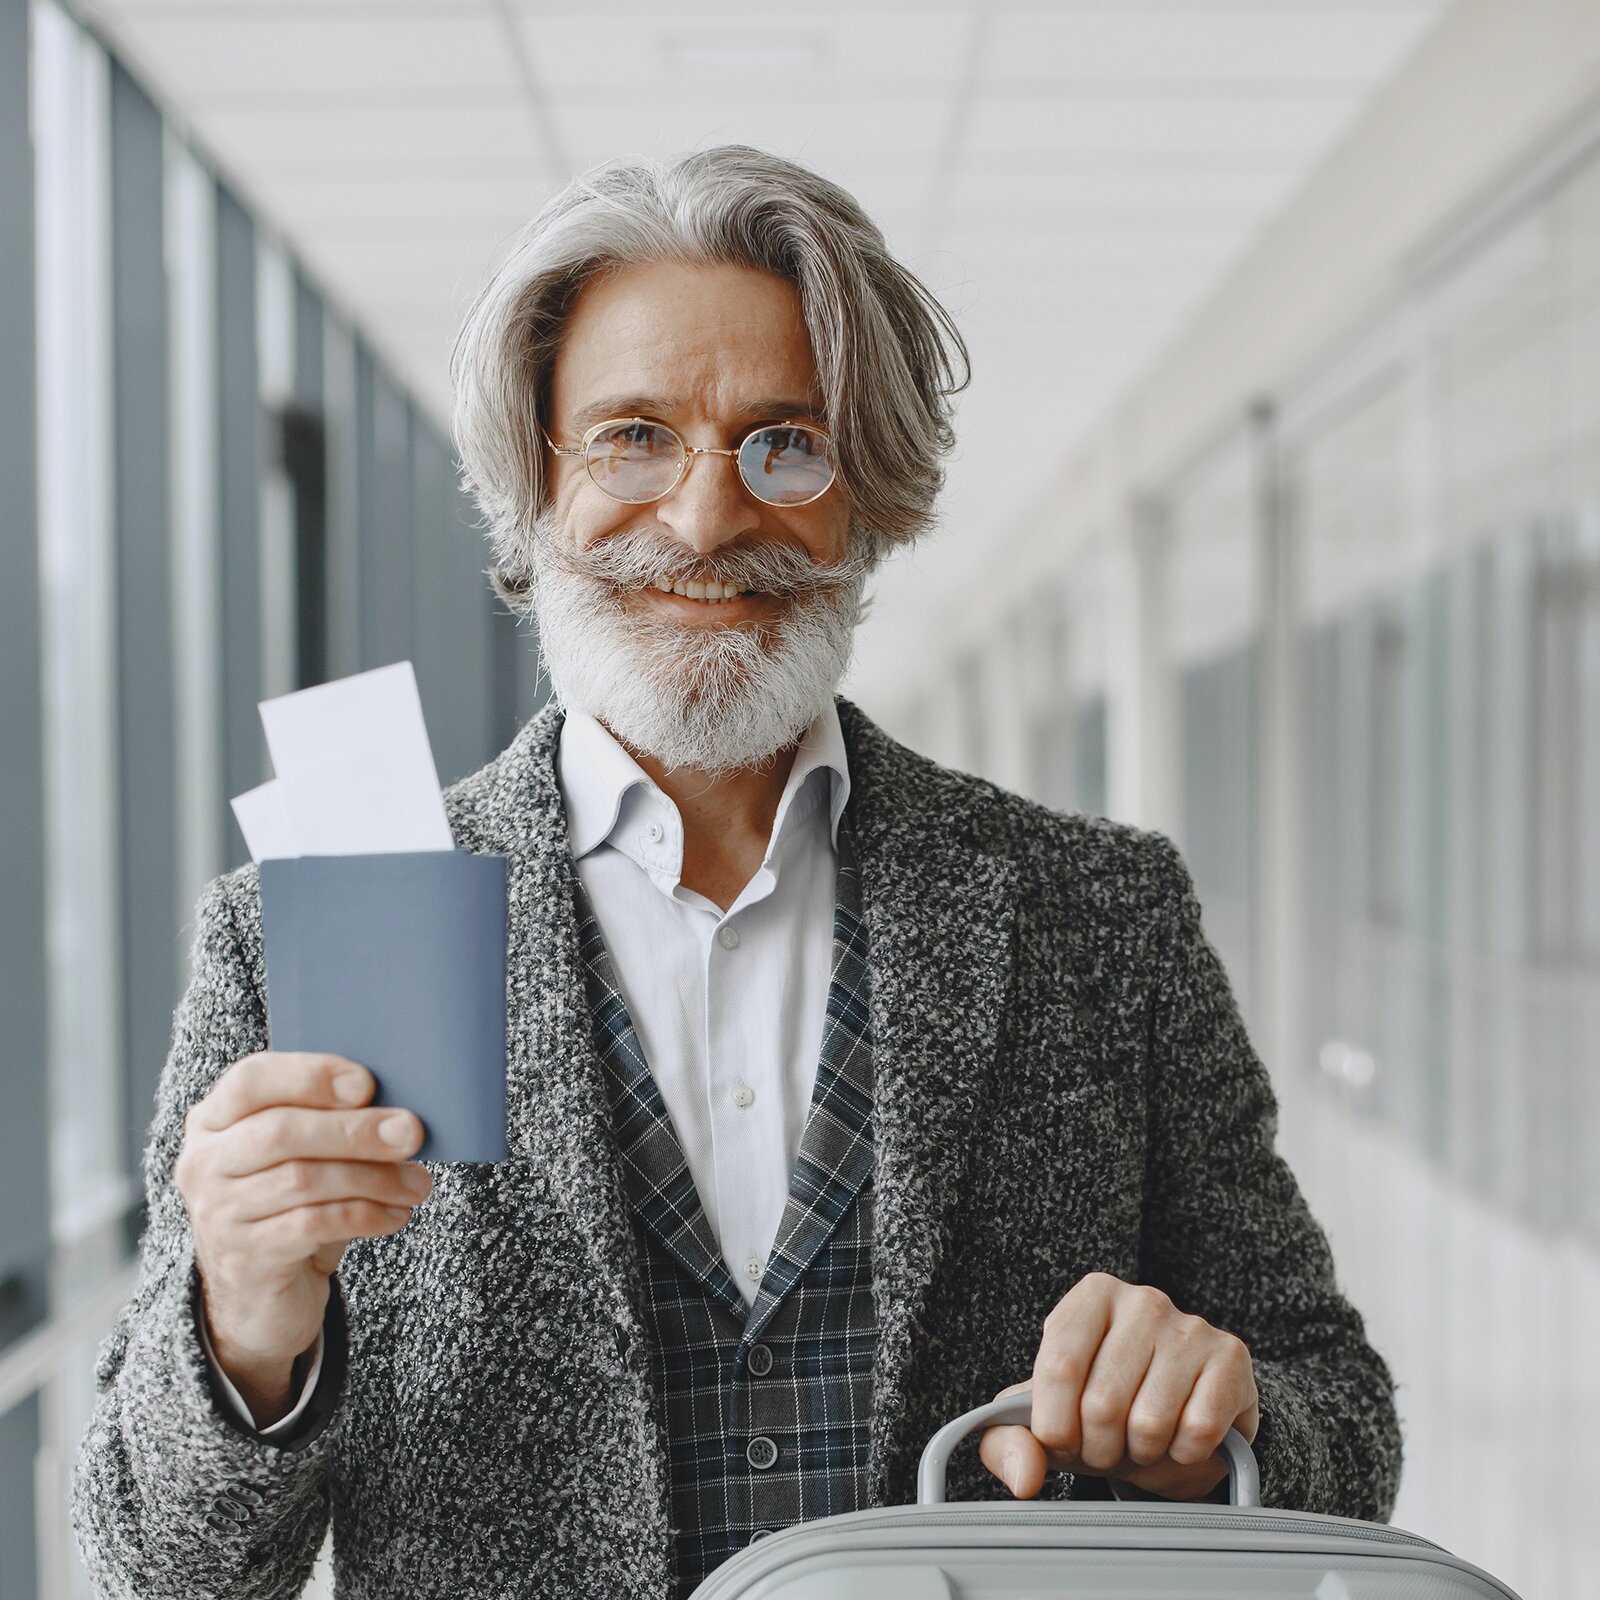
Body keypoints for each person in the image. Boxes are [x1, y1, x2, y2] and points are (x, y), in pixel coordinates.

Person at [72, 145, 1401, 1599]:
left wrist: (1214, 1429)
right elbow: (156, 1562)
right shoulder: (293, 940)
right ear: (534, 489)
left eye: (784, 441)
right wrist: (244, 1325)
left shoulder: (1100, 917)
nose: (705, 522)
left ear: (865, 495)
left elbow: (1343, 1415)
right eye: (630, 437)